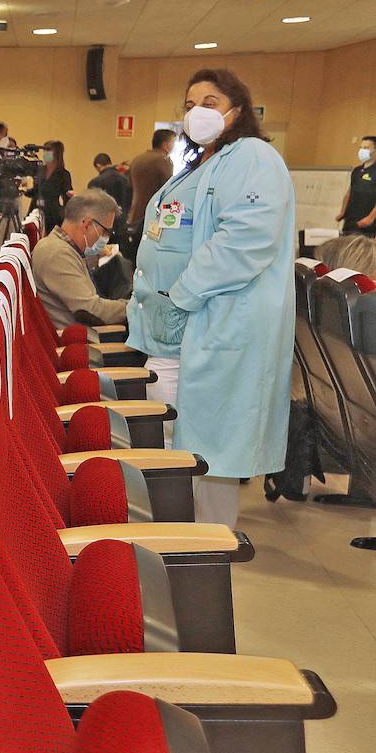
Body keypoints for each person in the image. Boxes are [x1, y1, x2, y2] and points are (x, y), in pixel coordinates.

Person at [127, 67, 295, 529]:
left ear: (236, 110)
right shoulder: (206, 162)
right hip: (181, 326)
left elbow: (245, 239)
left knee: (211, 448)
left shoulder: (253, 157)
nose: (196, 112)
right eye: (188, 104)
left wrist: (181, 294)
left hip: (216, 322)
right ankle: (183, 536)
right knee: (187, 442)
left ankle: (208, 548)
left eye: (209, 102)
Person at [31, 190, 127, 329]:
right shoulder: (57, 253)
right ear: (87, 224)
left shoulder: (61, 247)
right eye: (105, 232)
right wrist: (135, 308)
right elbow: (91, 309)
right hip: (86, 342)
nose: (106, 238)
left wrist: (97, 256)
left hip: (85, 335)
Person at [127, 129, 178, 261]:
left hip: (134, 215)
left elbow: (129, 186)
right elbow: (168, 190)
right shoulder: (163, 160)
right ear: (166, 144)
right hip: (153, 218)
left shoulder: (137, 159)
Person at [337, 135, 376, 234]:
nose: (362, 151)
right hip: (350, 221)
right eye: (361, 148)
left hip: (367, 224)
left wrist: (370, 218)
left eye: (366, 148)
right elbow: (349, 192)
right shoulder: (357, 170)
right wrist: (342, 212)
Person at [30, 139, 73, 230]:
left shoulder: (63, 174)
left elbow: (67, 197)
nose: (45, 154)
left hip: (52, 213)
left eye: (48, 151)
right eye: (44, 151)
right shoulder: (39, 170)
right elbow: (35, 190)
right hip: (35, 209)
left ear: (56, 153)